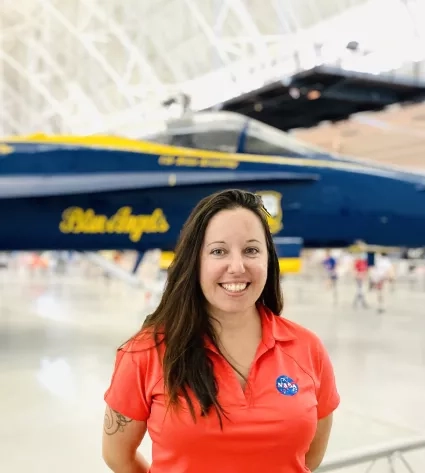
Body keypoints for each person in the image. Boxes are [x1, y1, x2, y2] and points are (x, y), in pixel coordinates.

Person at [102, 189, 340, 473]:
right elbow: (118, 456)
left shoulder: (307, 348)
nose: (237, 267)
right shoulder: (144, 353)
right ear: (195, 261)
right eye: (218, 251)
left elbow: (308, 457)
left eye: (251, 250)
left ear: (268, 260)